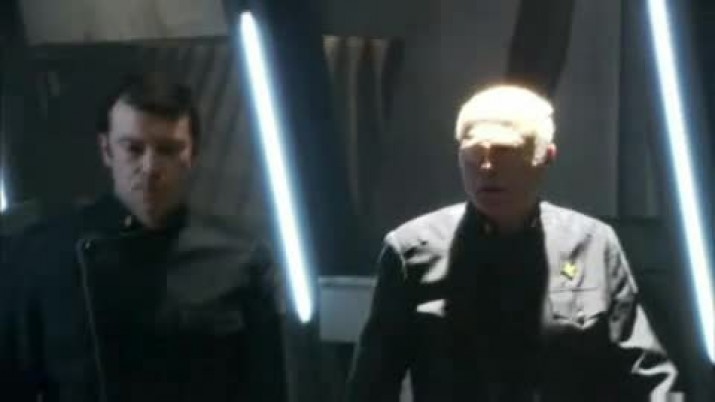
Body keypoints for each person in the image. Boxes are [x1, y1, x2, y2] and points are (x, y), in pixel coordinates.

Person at [346, 85, 678, 401]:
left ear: (546, 155)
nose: (486, 168)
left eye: (505, 153)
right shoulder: (412, 251)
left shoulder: (591, 244)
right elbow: (372, 385)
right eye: (473, 155)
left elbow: (646, 373)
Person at [0, 72, 287, 402]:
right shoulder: (43, 253)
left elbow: (266, 389)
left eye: (168, 150)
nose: (150, 167)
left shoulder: (239, 260)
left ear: (192, 154)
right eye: (133, 149)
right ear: (107, 151)